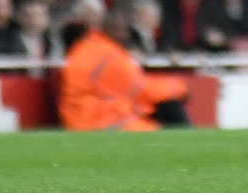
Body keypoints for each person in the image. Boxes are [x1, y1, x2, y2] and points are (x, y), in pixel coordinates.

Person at [59, 7, 190, 131]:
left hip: (82, 114)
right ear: (111, 29)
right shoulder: (110, 55)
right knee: (167, 108)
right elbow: (139, 88)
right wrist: (179, 87)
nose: (126, 35)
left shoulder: (85, 47)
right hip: (100, 118)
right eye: (123, 30)